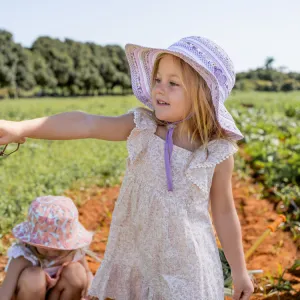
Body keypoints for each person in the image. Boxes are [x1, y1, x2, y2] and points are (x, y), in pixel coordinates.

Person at [0, 36, 254, 300]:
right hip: (137, 255)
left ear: (204, 94)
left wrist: (239, 271)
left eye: (173, 83)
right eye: (157, 80)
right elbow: (86, 123)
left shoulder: (216, 152)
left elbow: (224, 212)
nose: (159, 89)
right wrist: (22, 128)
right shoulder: (142, 127)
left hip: (187, 264)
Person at [0, 195, 94, 300]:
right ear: (32, 242)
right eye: (45, 247)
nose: (52, 253)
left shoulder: (72, 252)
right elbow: (6, 291)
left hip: (56, 295)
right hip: (28, 294)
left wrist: (90, 286)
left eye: (59, 249)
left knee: (77, 272)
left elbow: (87, 272)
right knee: (34, 277)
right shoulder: (23, 256)